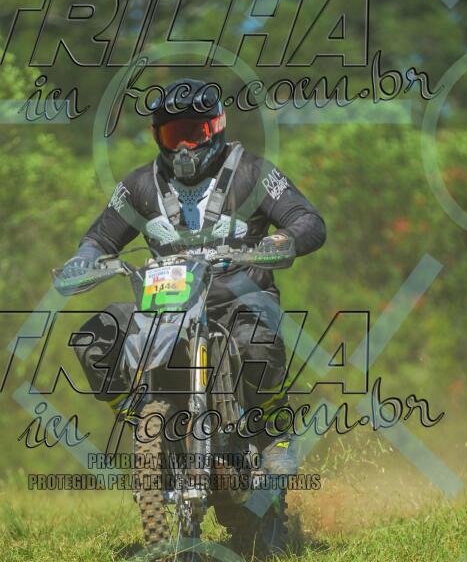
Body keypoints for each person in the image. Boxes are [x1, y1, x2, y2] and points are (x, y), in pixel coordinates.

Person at [60, 78, 326, 477]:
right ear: (157, 136)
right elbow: (100, 238)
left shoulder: (253, 173)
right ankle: (143, 421)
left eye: (193, 132)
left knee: (256, 341)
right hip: (163, 310)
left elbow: (307, 220)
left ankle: (274, 433)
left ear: (216, 127)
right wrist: (84, 260)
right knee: (92, 341)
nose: (184, 147)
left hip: (238, 300)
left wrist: (282, 240)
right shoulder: (139, 185)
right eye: (173, 135)